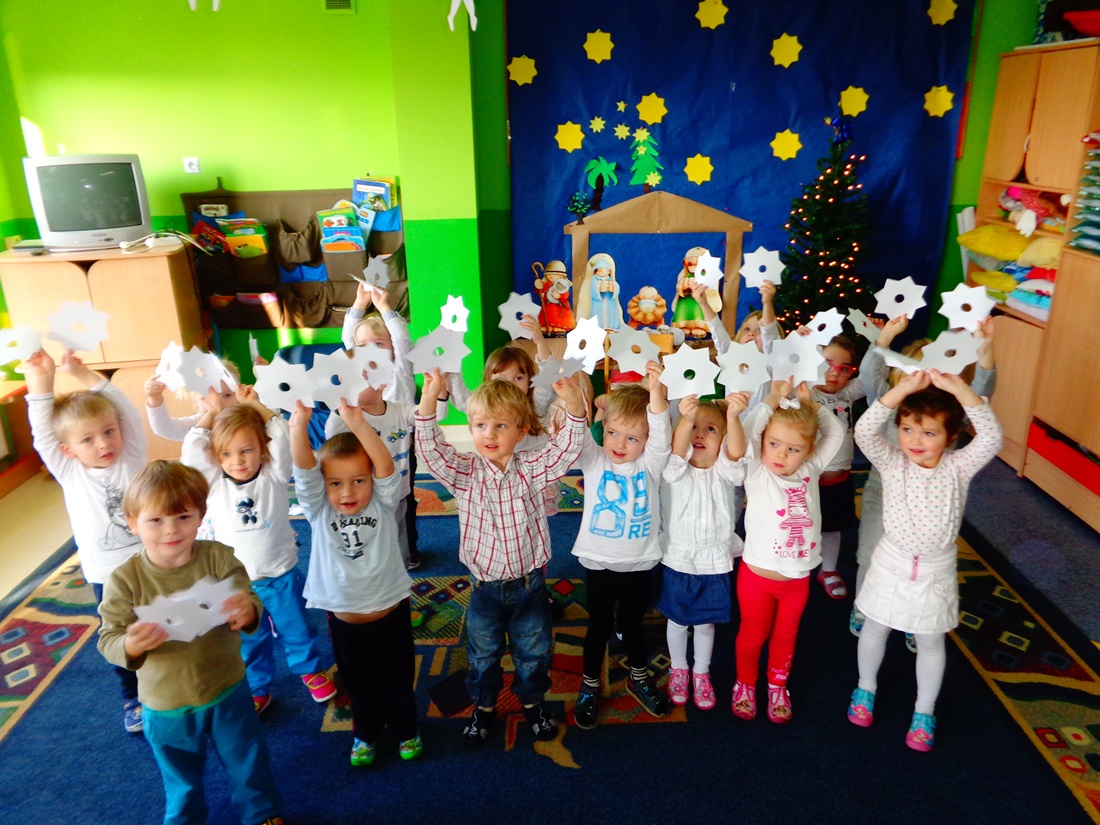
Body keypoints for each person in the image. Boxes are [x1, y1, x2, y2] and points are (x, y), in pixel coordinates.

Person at [97, 461, 283, 825]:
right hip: (166, 702)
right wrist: (131, 645)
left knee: (248, 758)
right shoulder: (124, 580)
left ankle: (262, 813)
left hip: (227, 686)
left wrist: (247, 611)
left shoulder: (218, 557)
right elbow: (108, 639)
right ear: (132, 522)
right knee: (181, 779)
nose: (171, 529)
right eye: (155, 520)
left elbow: (248, 598)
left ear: (200, 515)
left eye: (183, 517)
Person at [415, 369, 587, 745]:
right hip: (485, 590)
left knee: (534, 653)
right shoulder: (464, 472)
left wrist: (575, 407)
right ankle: (484, 705)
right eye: (480, 425)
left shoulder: (531, 468)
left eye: (500, 425)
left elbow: (566, 450)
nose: (489, 434)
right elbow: (430, 450)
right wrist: (429, 399)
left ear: (521, 431)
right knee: (482, 655)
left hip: (530, 587)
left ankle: (532, 702)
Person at [848, 369, 1002, 752]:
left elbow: (992, 437)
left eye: (929, 433)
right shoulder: (892, 462)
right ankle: (865, 688)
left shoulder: (958, 467)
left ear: (951, 437)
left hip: (935, 571)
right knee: (875, 628)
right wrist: (900, 390)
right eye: (907, 429)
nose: (915, 441)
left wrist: (960, 389)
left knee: (931, 641)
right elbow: (864, 432)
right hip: (890, 564)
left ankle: (924, 710)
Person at [181, 386, 336, 714]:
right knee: (248, 639)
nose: (237, 461)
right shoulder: (214, 484)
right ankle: (257, 686)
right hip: (235, 584)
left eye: (246, 450)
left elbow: (281, 436)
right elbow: (192, 455)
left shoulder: (273, 475)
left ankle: (309, 670)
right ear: (216, 457)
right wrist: (210, 413)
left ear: (262, 451)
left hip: (279, 575)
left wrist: (255, 404)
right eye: (226, 454)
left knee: (296, 628)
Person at [290, 398, 421, 766]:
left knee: (398, 679)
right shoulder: (319, 509)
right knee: (358, 684)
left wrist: (359, 424)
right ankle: (365, 733)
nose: (347, 492)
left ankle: (406, 728)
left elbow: (386, 467)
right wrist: (297, 427)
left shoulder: (382, 500)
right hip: (345, 621)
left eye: (358, 481)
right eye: (336, 483)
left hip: (391, 613)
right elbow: (304, 471)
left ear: (371, 480)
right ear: (324, 485)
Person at [23, 349, 148, 733]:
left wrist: (81, 372)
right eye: (88, 439)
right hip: (106, 575)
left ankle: (174, 681)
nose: (103, 443)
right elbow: (43, 433)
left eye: (109, 432)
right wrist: (41, 381)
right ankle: (133, 696)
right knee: (119, 636)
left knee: (167, 624)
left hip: (153, 564)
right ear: (68, 450)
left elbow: (125, 409)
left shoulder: (131, 454)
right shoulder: (69, 470)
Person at [852, 316, 997, 641]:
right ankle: (864, 608)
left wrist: (986, 349)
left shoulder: (950, 413)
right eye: (915, 374)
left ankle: (916, 620)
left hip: (931, 508)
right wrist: (884, 339)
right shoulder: (891, 401)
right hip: (883, 493)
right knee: (870, 553)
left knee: (925, 569)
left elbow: (983, 390)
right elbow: (869, 376)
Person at [728, 377, 844, 724]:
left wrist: (811, 405)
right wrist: (772, 398)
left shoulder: (810, 468)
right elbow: (749, 434)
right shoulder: (756, 471)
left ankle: (777, 685)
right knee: (753, 634)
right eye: (774, 444)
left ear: (809, 451)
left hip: (797, 580)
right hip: (757, 577)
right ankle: (745, 683)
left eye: (793, 449)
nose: (781, 454)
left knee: (786, 635)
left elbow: (835, 434)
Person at [572, 361, 673, 729]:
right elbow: (578, 435)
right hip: (599, 562)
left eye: (632, 438)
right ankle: (590, 684)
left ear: (645, 441)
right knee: (598, 626)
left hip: (639, 563)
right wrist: (573, 402)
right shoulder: (595, 459)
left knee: (632, 625)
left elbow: (661, 434)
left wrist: (656, 393)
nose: (619, 444)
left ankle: (638, 677)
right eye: (613, 433)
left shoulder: (651, 464)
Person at [759, 286, 865, 601]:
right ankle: (794, 562)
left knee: (833, 528)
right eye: (828, 364)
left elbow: (874, 374)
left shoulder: (848, 393)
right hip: (807, 479)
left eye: (844, 368)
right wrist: (797, 342)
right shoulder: (804, 391)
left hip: (839, 479)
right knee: (798, 524)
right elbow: (774, 360)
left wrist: (880, 340)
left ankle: (828, 569)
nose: (835, 373)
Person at [658, 392, 749, 711]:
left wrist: (733, 418)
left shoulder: (727, 471)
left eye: (711, 429)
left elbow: (736, 455)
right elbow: (675, 452)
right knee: (677, 621)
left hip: (714, 560)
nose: (699, 434)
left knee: (706, 623)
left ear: (722, 440)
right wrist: (685, 419)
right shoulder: (673, 470)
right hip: (679, 558)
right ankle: (679, 669)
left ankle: (701, 672)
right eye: (693, 427)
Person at [324, 362, 449, 567]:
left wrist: (438, 389)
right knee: (370, 546)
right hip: (366, 501)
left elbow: (433, 415)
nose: (350, 386)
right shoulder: (348, 417)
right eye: (347, 381)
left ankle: (400, 571)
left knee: (399, 543)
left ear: (381, 382)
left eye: (359, 379)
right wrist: (341, 408)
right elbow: (331, 435)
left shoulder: (399, 410)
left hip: (398, 495)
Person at [342, 282, 422, 566]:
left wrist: (384, 306)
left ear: (392, 348)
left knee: (403, 501)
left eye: (379, 344)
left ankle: (407, 552)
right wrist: (359, 304)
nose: (371, 352)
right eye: (364, 346)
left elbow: (402, 339)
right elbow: (348, 341)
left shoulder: (399, 368)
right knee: (370, 498)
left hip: (400, 448)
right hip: (367, 447)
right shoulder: (360, 371)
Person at [144, 358, 242, 442]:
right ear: (196, 404)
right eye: (208, 397)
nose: (218, 402)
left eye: (227, 395)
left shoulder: (244, 419)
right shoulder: (196, 424)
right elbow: (164, 428)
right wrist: (154, 398)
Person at [576, 252, 623, 330]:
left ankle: (611, 326)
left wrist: (613, 287)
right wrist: (600, 287)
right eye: (601, 269)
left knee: (611, 313)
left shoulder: (610, 279)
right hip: (598, 304)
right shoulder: (594, 279)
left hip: (610, 303)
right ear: (596, 270)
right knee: (598, 315)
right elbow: (593, 290)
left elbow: (616, 290)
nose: (604, 271)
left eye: (607, 269)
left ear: (609, 271)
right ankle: (598, 327)